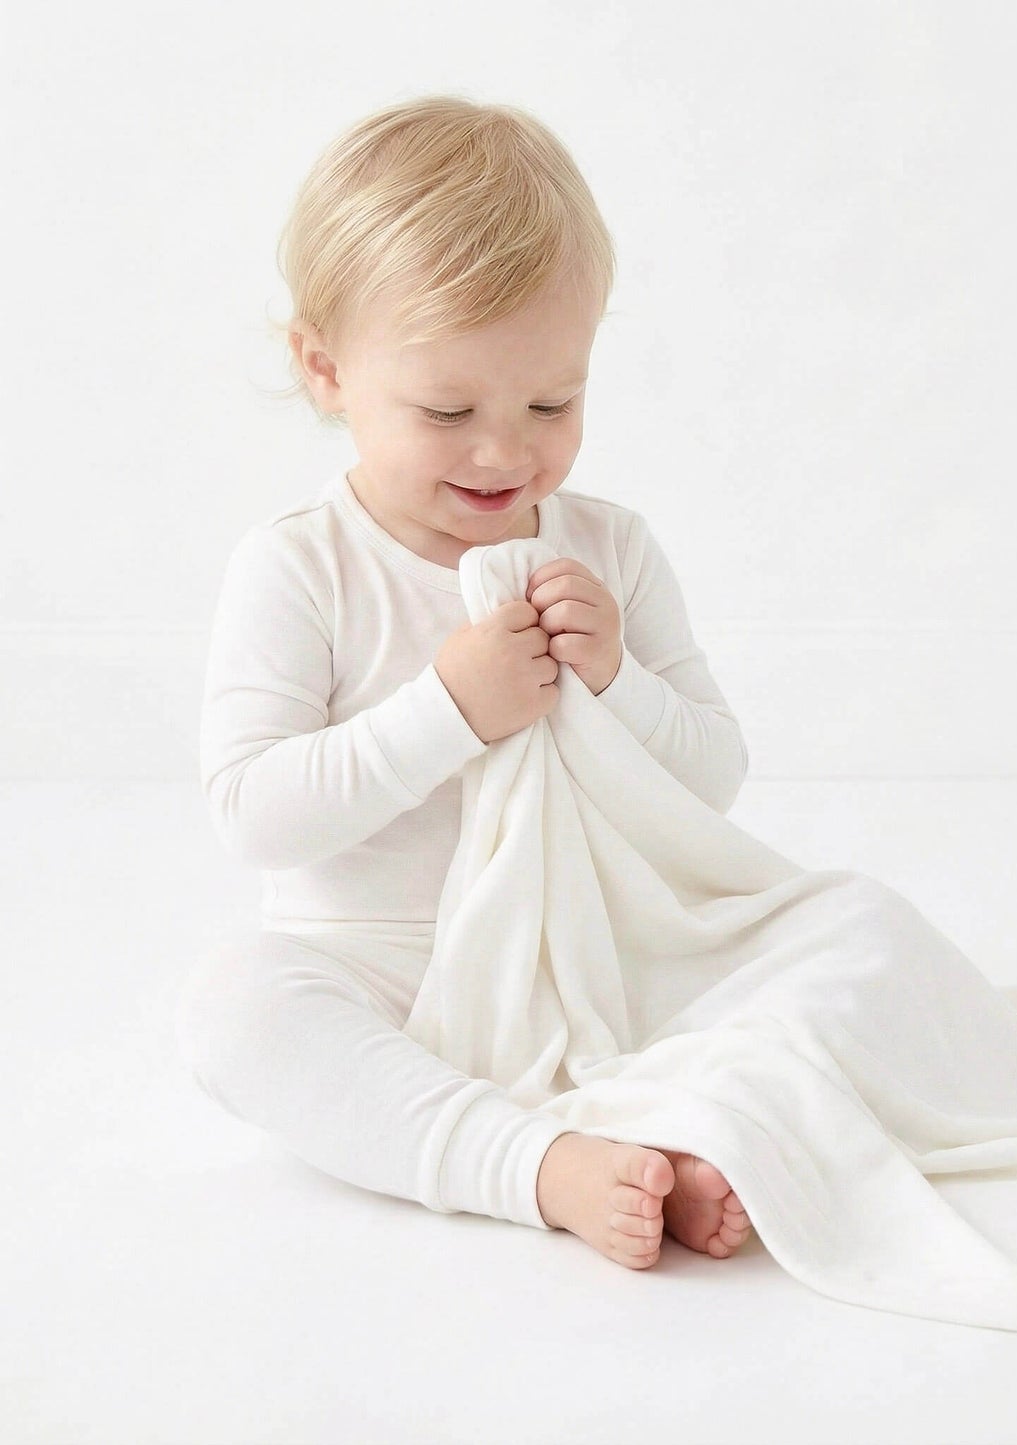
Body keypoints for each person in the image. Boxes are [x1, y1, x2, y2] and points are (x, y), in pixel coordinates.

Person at [175, 94, 754, 1271]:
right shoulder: (299, 567)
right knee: (238, 1008)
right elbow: (254, 812)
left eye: (553, 402)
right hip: (380, 967)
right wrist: (446, 709)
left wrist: (613, 678)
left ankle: (668, 1130)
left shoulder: (613, 548)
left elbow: (713, 779)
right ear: (325, 368)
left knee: (812, 958)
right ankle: (542, 1165)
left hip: (584, 954)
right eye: (447, 410)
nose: (506, 451)